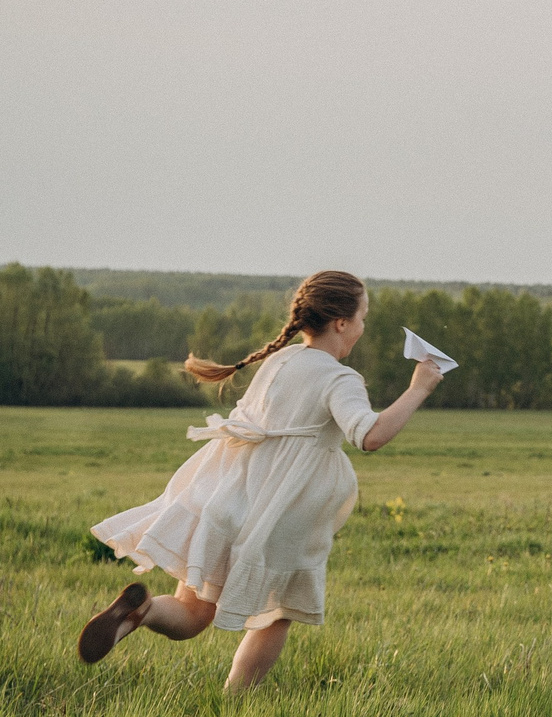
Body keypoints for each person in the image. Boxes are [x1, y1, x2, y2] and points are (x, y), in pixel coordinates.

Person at [80, 271, 443, 693]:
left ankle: (142, 613)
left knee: (192, 612)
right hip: (278, 519)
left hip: (229, 504)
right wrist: (418, 389)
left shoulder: (279, 360)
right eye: (362, 318)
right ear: (341, 323)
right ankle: (233, 705)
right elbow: (370, 435)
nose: (363, 328)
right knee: (277, 614)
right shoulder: (340, 378)